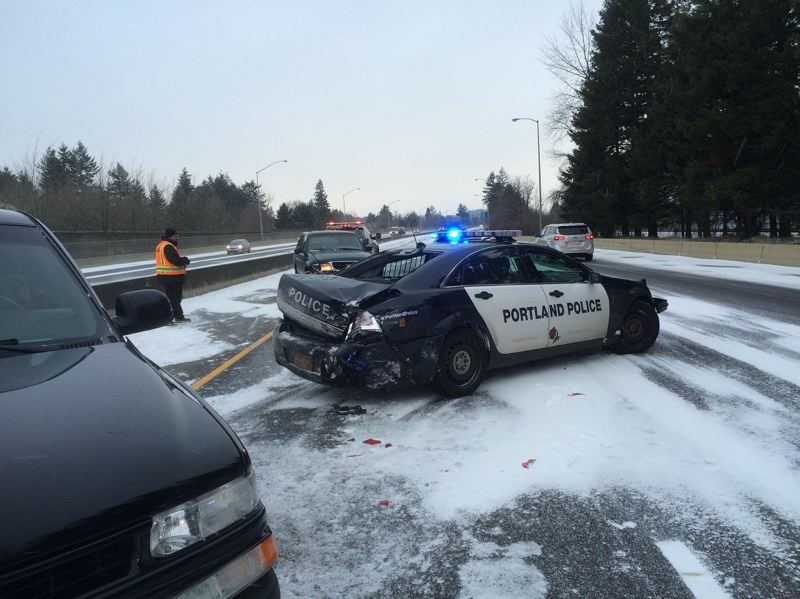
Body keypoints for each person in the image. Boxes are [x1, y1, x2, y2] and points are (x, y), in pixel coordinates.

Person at [155, 228, 191, 322]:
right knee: (174, 299)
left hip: (167, 277)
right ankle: (171, 318)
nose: (177, 238)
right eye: (175, 236)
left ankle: (176, 317)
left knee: (174, 299)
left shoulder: (161, 245)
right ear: (170, 236)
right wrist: (184, 260)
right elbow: (174, 260)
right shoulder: (168, 246)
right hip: (171, 277)